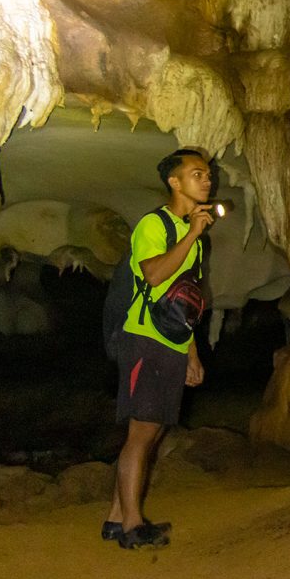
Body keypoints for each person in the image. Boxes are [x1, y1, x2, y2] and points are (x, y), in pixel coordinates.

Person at [103, 148, 216, 550]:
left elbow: (185, 304)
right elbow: (153, 275)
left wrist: (192, 354)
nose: (206, 180)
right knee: (142, 432)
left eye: (207, 174)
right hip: (143, 340)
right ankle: (134, 526)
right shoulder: (155, 225)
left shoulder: (195, 240)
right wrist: (191, 235)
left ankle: (117, 517)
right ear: (174, 182)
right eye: (197, 174)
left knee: (151, 432)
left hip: (170, 342)